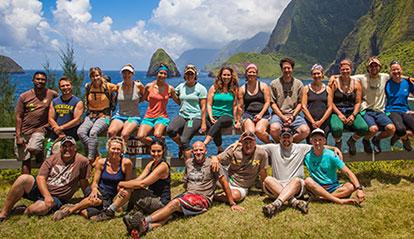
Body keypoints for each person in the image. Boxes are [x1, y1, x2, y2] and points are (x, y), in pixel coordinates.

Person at [122, 141, 244, 238]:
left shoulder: (213, 164)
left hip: (202, 199)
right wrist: (185, 193)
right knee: (170, 214)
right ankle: (144, 229)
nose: (198, 152)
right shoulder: (189, 163)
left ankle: (143, 221)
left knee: (174, 204)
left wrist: (232, 203)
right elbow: (186, 182)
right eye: (195, 150)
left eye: (201, 150)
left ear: (206, 151)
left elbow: (224, 183)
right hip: (188, 195)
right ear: (192, 152)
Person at [0, 136, 89, 222]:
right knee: (23, 179)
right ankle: (4, 213)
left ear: (75, 148)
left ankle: (23, 210)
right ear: (60, 148)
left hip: (58, 197)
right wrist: (47, 196)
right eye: (64, 146)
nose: (67, 149)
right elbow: (40, 178)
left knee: (39, 209)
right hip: (43, 188)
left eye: (70, 146)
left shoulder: (82, 161)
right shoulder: (52, 159)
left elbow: (83, 181)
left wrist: (88, 197)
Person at [260, 127, 341, 217]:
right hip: (277, 186)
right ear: (280, 138)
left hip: (296, 188)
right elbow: (255, 146)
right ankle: (294, 202)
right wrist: (240, 143)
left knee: (296, 180)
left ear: (292, 138)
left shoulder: (301, 148)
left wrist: (333, 148)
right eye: (284, 137)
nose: (286, 140)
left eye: (288, 137)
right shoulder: (273, 148)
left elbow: (318, 145)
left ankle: (276, 204)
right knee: (268, 179)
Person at [90, 139, 171, 222]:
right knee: (124, 199)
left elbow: (142, 183)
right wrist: (124, 185)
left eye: (159, 151)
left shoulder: (162, 166)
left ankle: (109, 212)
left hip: (161, 203)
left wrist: (121, 184)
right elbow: (138, 180)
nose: (156, 154)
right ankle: (114, 207)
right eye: (153, 151)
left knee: (130, 189)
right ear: (150, 151)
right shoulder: (151, 164)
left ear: (163, 151)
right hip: (151, 196)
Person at [53, 137, 133, 221]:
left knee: (91, 214)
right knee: (96, 201)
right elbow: (95, 181)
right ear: (108, 149)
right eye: (113, 149)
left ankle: (78, 207)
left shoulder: (126, 163)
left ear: (122, 150)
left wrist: (121, 189)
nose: (115, 151)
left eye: (118, 149)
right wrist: (94, 189)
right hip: (98, 190)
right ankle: (69, 211)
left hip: (108, 196)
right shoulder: (101, 162)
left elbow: (126, 182)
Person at [304, 128, 365, 205]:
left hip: (332, 186)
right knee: (308, 181)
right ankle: (333, 198)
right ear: (311, 141)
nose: (317, 142)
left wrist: (359, 188)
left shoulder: (332, 155)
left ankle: (322, 198)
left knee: (350, 187)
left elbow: (348, 172)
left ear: (324, 141)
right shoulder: (307, 155)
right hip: (317, 186)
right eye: (315, 140)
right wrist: (334, 147)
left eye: (320, 140)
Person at [15, 71, 58, 174]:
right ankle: (27, 184)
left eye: (43, 79)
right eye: (38, 79)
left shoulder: (52, 94)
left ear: (46, 81)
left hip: (41, 128)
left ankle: (39, 153)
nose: (40, 81)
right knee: (25, 159)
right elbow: (19, 117)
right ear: (33, 80)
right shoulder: (24, 97)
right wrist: (18, 136)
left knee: (33, 148)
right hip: (25, 130)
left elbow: (60, 107)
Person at [352, 57, 396, 153]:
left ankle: (376, 140)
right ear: (368, 68)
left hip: (380, 111)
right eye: (371, 66)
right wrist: (333, 78)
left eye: (376, 66)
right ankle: (366, 140)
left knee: (391, 129)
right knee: (373, 129)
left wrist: (409, 78)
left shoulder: (384, 77)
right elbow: (346, 76)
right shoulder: (362, 78)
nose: (374, 68)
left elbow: (397, 75)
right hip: (366, 111)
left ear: (379, 67)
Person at [211, 131, 268, 202]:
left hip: (241, 186)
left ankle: (214, 197)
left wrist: (264, 191)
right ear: (241, 143)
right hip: (227, 178)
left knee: (235, 196)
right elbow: (218, 157)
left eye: (250, 142)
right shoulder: (235, 150)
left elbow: (263, 174)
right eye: (245, 142)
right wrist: (214, 158)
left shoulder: (261, 154)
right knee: (211, 164)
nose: (248, 145)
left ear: (255, 142)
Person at [77, 67, 118, 165]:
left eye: (97, 76)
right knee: (80, 132)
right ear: (90, 77)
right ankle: (95, 153)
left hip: (104, 116)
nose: (95, 78)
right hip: (91, 116)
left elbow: (121, 88)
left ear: (100, 75)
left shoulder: (108, 86)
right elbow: (86, 100)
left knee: (93, 132)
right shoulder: (88, 87)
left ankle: (90, 158)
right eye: (93, 76)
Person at [167, 65, 207, 160]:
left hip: (195, 117)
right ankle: (181, 146)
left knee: (185, 140)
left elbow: (203, 107)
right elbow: (173, 95)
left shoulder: (201, 89)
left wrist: (204, 123)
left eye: (191, 74)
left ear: (195, 75)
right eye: (187, 74)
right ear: (184, 75)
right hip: (183, 116)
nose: (189, 76)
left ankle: (188, 168)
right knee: (170, 130)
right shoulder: (181, 87)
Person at [328, 60, 368, 155]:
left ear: (351, 69)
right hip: (337, 111)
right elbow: (330, 101)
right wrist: (339, 114)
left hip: (351, 111)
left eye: (347, 69)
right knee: (336, 128)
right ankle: (338, 142)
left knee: (363, 128)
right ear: (339, 70)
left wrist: (353, 115)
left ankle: (352, 141)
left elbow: (358, 102)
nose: (345, 71)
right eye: (343, 69)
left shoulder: (356, 84)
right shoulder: (335, 83)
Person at [137, 63, 180, 147]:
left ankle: (161, 145)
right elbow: (143, 99)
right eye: (161, 73)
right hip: (148, 117)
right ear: (157, 73)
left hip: (162, 117)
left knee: (157, 135)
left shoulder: (170, 88)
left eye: (165, 74)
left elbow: (178, 102)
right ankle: (162, 146)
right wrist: (139, 88)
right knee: (140, 136)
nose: (162, 75)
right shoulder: (149, 86)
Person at [269, 57, 310, 143]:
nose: (287, 70)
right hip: (278, 115)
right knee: (274, 129)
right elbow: (272, 103)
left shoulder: (299, 84)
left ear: (292, 69)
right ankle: (279, 145)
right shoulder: (274, 84)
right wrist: (282, 117)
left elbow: (300, 103)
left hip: (294, 115)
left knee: (305, 130)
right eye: (284, 68)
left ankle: (288, 144)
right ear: (281, 69)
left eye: (289, 68)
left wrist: (293, 116)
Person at [204, 66, 239, 153]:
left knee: (220, 121)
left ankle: (204, 144)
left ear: (231, 76)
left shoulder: (234, 89)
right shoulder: (214, 87)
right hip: (213, 115)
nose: (226, 77)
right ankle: (220, 149)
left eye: (228, 75)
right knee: (214, 127)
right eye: (224, 75)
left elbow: (235, 105)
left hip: (227, 116)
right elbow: (209, 104)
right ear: (220, 76)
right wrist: (211, 116)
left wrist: (236, 120)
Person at [107, 64, 144, 144]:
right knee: (111, 132)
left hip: (132, 117)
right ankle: (116, 151)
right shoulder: (119, 86)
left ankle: (121, 154)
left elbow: (145, 96)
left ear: (132, 74)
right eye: (124, 73)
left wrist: (137, 101)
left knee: (124, 134)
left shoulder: (138, 86)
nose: (126, 75)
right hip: (119, 116)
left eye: (129, 73)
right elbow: (115, 97)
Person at [48, 76, 83, 155]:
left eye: (67, 85)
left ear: (71, 86)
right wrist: (57, 130)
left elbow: (77, 120)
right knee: (53, 157)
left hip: (71, 135)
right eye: (63, 86)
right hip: (56, 135)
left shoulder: (77, 102)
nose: (65, 87)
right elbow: (50, 118)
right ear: (59, 88)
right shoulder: (54, 101)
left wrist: (61, 128)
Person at [236, 64, 271, 143]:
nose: (251, 74)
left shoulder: (263, 86)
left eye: (253, 72)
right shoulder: (242, 89)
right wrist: (238, 121)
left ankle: (269, 145)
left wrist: (261, 114)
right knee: (250, 133)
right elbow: (240, 106)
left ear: (256, 74)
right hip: (248, 114)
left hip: (263, 114)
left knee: (259, 131)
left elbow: (267, 102)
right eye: (249, 72)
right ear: (246, 73)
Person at [385, 61, 414, 151]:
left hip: (405, 110)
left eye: (397, 69)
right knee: (400, 128)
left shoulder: (407, 83)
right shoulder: (387, 83)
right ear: (390, 71)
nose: (396, 71)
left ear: (401, 70)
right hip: (391, 110)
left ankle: (399, 135)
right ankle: (405, 139)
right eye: (393, 70)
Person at [301, 64, 333, 143]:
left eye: (318, 73)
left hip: (324, 121)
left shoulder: (328, 89)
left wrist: (321, 121)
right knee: (310, 143)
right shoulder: (306, 88)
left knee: (323, 143)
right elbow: (303, 107)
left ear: (322, 74)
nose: (316, 76)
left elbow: (330, 107)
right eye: (314, 74)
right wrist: (313, 122)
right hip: (310, 122)